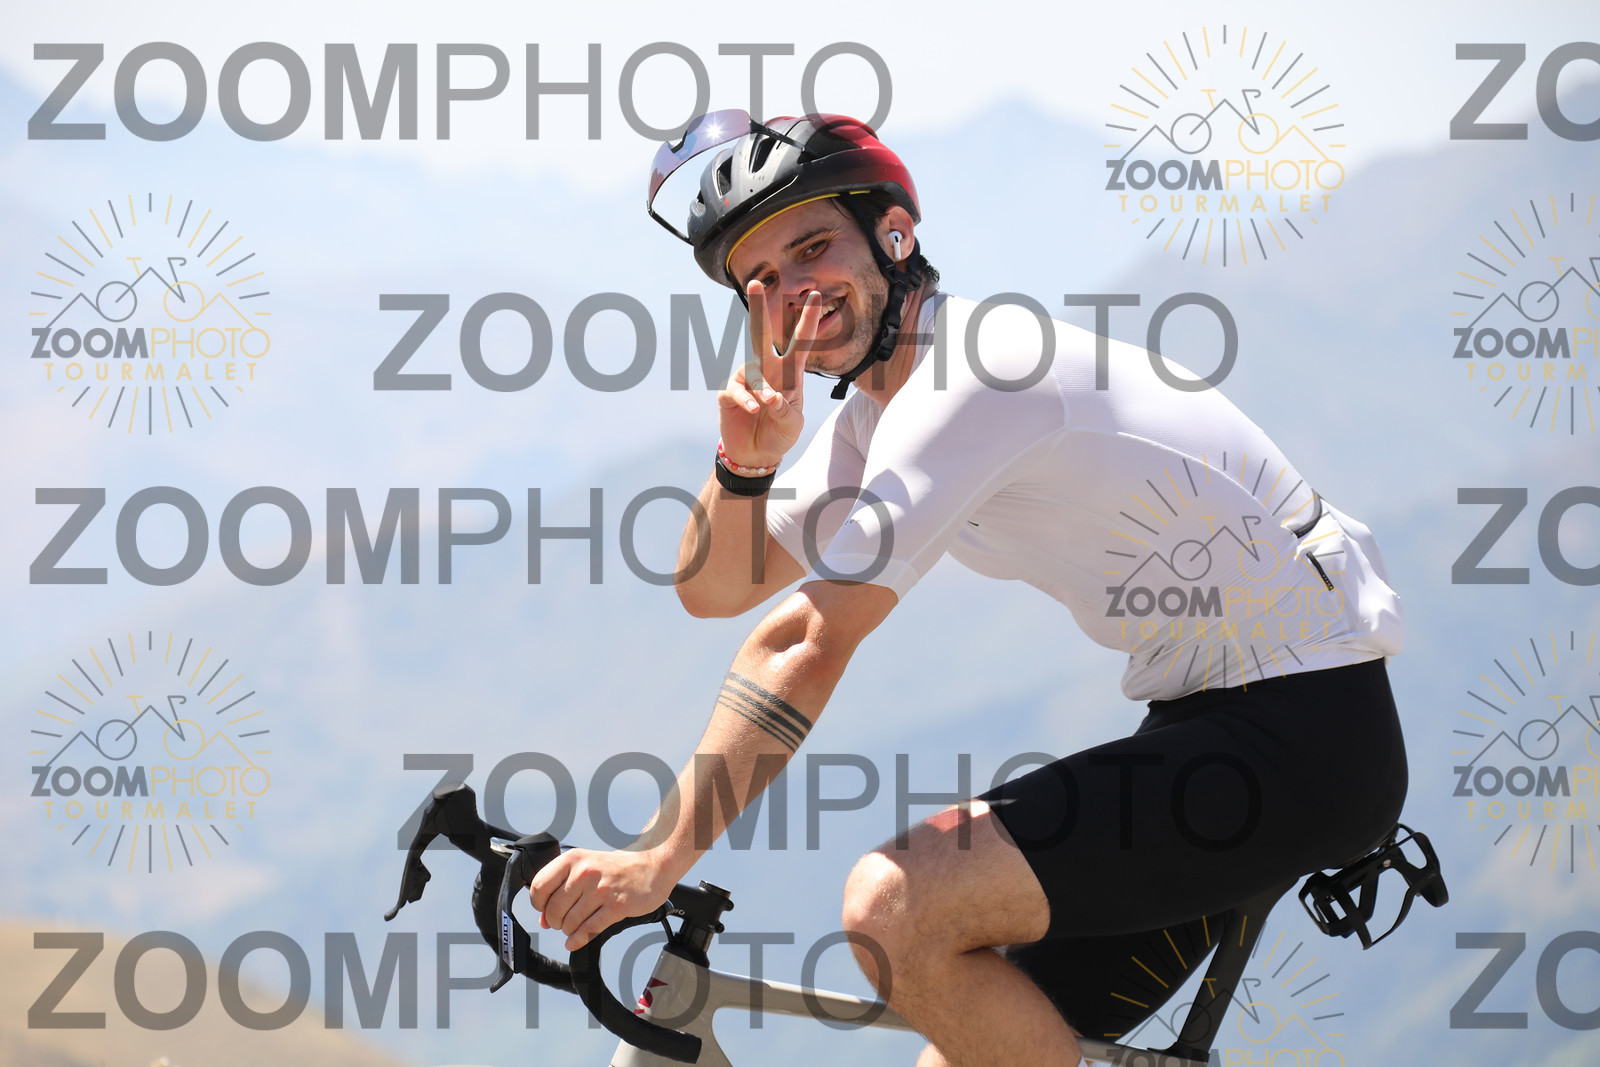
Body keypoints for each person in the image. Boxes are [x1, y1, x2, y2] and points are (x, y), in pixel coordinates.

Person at [530, 112, 1410, 1067]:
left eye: (813, 247)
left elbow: (804, 641)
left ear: (894, 233)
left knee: (896, 905)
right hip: (1211, 729)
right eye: (762, 281)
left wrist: (658, 858)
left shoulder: (978, 372)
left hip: (1301, 736)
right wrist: (742, 466)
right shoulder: (879, 414)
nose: (792, 291)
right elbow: (714, 587)